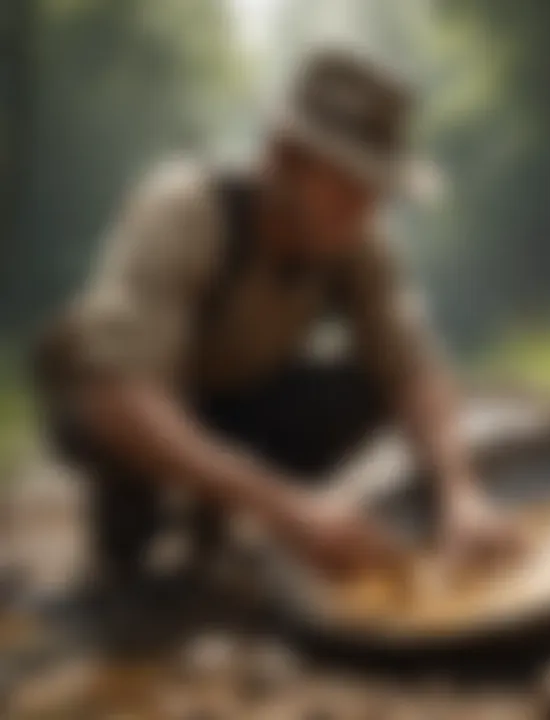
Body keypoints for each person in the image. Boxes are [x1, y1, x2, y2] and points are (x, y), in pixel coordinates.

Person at [34, 48, 516, 586]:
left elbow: (412, 365)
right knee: (128, 535)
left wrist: (461, 491)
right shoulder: (184, 207)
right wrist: (291, 511)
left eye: (375, 189)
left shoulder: (354, 236)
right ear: (283, 158)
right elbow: (112, 398)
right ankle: (137, 517)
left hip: (238, 400)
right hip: (136, 400)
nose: (365, 207)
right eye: (347, 183)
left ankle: (227, 509)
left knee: (367, 391)